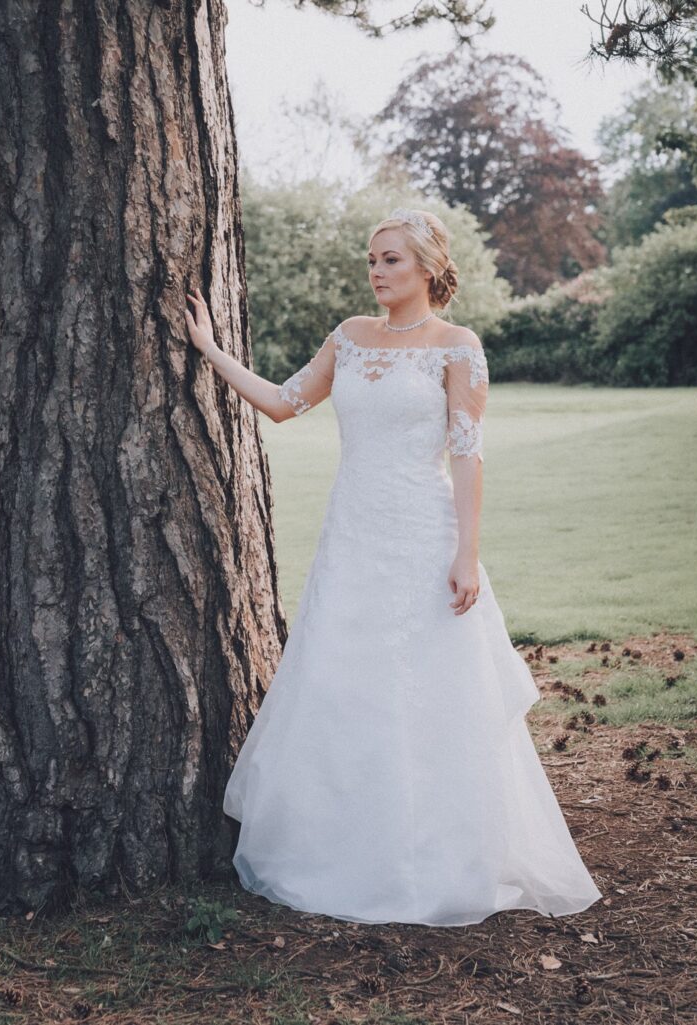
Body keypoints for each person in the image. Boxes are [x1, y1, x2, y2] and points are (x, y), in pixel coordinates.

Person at [182, 208, 602, 927]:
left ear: (430, 268)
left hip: (423, 534)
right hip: (352, 536)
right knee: (342, 682)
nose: (376, 273)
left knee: (434, 692)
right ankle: (343, 847)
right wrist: (210, 349)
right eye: (372, 261)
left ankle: (436, 853)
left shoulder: (459, 348)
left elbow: (467, 454)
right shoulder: (348, 337)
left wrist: (466, 553)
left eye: (391, 261)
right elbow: (284, 404)